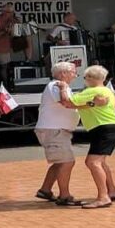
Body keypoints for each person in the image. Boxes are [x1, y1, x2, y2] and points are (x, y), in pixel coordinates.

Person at [60, 65, 115, 209]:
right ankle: (112, 191)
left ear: (92, 79)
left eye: (85, 77)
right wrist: (89, 104)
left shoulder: (91, 91)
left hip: (103, 128)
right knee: (100, 162)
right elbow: (91, 105)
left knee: (92, 162)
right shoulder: (107, 91)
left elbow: (67, 102)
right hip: (109, 127)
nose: (84, 80)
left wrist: (63, 87)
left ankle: (103, 197)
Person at [34, 62, 85, 207]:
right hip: (54, 130)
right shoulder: (56, 85)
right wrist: (90, 104)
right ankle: (65, 196)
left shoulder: (61, 86)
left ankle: (45, 190)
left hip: (57, 130)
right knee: (67, 162)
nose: (76, 75)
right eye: (74, 72)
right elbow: (66, 102)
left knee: (60, 162)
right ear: (63, 73)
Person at [0, 2, 32, 86]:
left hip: (13, 44)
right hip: (1, 46)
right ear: (3, 12)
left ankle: (28, 60)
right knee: (4, 66)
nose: (10, 14)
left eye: (12, 12)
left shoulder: (14, 20)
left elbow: (22, 32)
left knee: (28, 37)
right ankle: (6, 85)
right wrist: (4, 31)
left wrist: (20, 24)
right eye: (8, 12)